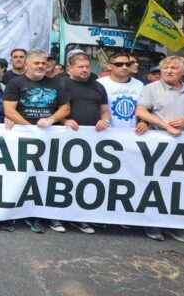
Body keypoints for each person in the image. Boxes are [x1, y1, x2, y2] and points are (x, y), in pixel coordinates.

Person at [135, 55, 184, 243]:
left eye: (174, 68)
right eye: (165, 68)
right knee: (155, 185)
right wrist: (166, 126)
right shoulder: (151, 88)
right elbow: (141, 111)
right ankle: (152, 224)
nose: (168, 71)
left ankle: (174, 225)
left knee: (179, 186)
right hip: (158, 144)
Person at [2, 48, 70, 234]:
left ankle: (34, 215)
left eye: (43, 63)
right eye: (36, 63)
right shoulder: (16, 83)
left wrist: (50, 120)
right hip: (21, 137)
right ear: (26, 65)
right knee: (16, 175)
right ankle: (10, 215)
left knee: (39, 177)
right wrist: (28, 128)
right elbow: (9, 110)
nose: (41, 66)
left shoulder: (55, 83)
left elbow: (65, 108)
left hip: (46, 138)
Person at [52, 50, 111, 234]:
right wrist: (64, 121)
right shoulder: (60, 82)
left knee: (84, 180)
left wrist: (105, 120)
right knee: (61, 178)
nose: (85, 70)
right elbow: (53, 108)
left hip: (91, 141)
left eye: (87, 67)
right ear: (71, 66)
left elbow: (104, 110)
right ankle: (55, 216)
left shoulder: (98, 86)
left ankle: (79, 218)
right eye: (81, 67)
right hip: (65, 139)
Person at [96, 52, 148, 133]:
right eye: (119, 64)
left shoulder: (139, 84)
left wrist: (144, 122)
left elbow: (145, 107)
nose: (124, 67)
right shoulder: (99, 83)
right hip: (106, 132)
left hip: (134, 133)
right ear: (109, 66)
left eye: (128, 64)